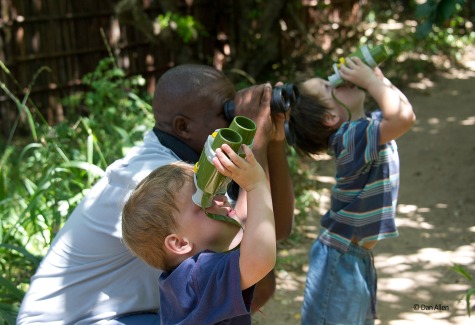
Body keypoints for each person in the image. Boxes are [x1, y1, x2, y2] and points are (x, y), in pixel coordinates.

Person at [17, 64, 295, 324]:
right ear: (183, 127)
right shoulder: (161, 183)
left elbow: (275, 228)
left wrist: (272, 140)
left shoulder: (189, 178)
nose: (236, 119)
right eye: (227, 112)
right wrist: (253, 150)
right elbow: (256, 266)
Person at [289, 57, 416, 324]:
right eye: (328, 85)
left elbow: (403, 110)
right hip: (340, 257)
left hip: (355, 256)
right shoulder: (349, 138)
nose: (336, 78)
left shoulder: (369, 126)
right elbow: (405, 118)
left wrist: (380, 80)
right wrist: (371, 82)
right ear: (330, 117)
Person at [122, 141, 275, 324]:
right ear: (179, 243)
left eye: (213, 192)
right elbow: (259, 260)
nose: (221, 199)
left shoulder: (180, 282)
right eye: (204, 201)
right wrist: (256, 185)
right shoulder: (198, 276)